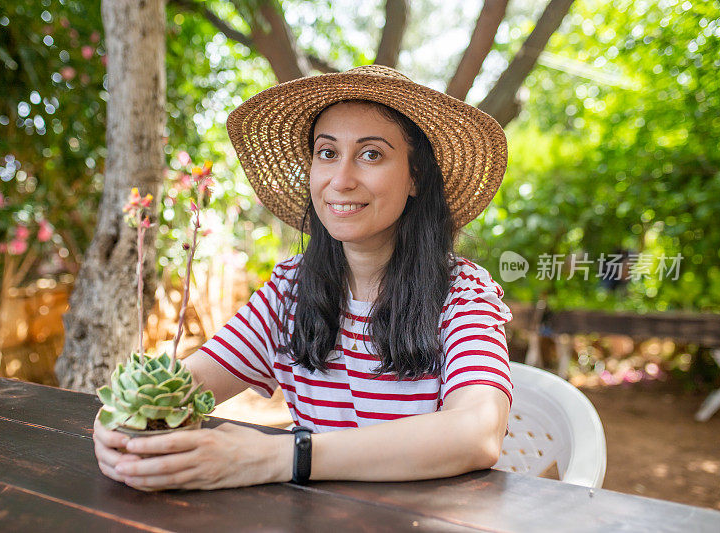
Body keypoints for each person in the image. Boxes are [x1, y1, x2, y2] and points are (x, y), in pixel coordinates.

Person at [94, 65, 513, 491]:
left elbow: (477, 433)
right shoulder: (290, 290)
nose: (341, 180)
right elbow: (188, 383)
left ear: (415, 179)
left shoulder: (462, 293)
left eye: (371, 154)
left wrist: (279, 455)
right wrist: (122, 418)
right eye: (327, 153)